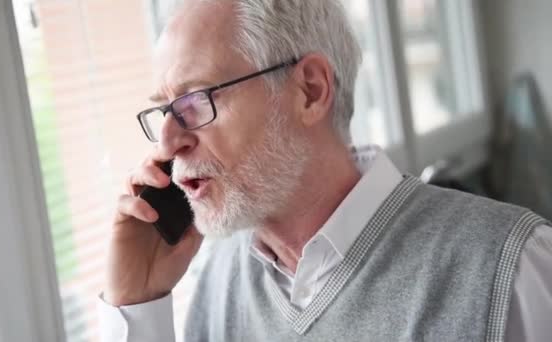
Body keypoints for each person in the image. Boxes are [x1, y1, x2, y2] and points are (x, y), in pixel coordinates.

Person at [99, 0, 552, 341]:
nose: (167, 142)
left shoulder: (511, 267)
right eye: (164, 110)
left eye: (197, 100)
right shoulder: (218, 280)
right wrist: (137, 308)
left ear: (310, 91)